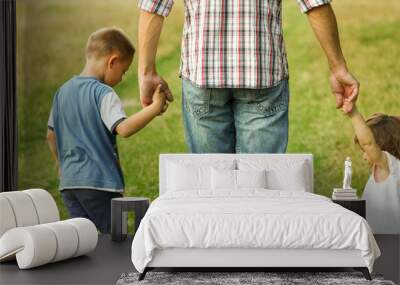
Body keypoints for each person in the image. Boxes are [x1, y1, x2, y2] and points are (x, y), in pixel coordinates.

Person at [136, 0, 359, 153]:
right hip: (263, 72)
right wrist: (337, 67)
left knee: (211, 190)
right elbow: (315, 3)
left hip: (203, 72)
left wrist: (146, 73)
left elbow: (154, 6)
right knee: (260, 191)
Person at [46, 27, 168, 233]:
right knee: (114, 239)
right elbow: (124, 128)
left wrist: (60, 165)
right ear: (112, 61)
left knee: (83, 239)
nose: (122, 78)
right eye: (123, 71)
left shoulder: (62, 92)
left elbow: (51, 136)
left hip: (69, 185)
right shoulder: (103, 93)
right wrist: (155, 108)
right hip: (99, 184)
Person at [343, 102, 400, 234]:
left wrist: (354, 113)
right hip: (375, 239)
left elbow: (368, 143)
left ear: (383, 147)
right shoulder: (383, 169)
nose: (364, 156)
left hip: (388, 241)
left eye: (365, 151)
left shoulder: (390, 167)